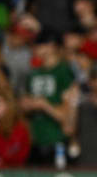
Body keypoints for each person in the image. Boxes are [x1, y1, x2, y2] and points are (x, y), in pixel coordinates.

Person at [22, 30, 76, 165]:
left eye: (39, 45)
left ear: (51, 46)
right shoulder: (33, 74)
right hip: (35, 139)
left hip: (56, 139)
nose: (35, 49)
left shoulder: (64, 72)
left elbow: (69, 112)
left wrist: (44, 105)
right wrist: (25, 105)